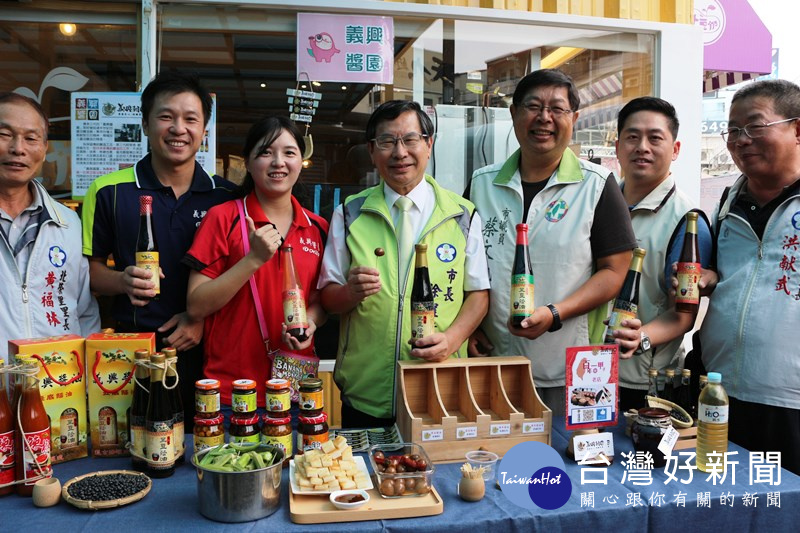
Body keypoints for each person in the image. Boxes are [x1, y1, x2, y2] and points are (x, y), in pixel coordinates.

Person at [466, 69, 636, 416]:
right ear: (513, 114)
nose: (544, 118)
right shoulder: (482, 184)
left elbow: (614, 273)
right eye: (533, 106)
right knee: (499, 464)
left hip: (579, 367)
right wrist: (465, 330)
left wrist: (555, 313)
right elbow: (467, 270)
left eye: (557, 109)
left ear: (573, 119)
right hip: (495, 363)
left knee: (578, 464)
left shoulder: (597, 185)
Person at [318, 100, 490, 428]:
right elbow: (327, 297)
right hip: (366, 391)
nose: (400, 153)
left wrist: (452, 340)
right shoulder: (350, 213)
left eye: (410, 140)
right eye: (387, 142)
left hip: (439, 386)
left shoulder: (463, 215)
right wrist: (350, 293)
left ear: (429, 144)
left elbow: (479, 294)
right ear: (372, 151)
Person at [81, 71, 235, 424]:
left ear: (204, 130)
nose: (179, 128)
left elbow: (239, 277)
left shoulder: (225, 197)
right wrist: (121, 281)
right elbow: (87, 272)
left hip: (207, 352)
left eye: (190, 119)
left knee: (206, 446)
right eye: (166, 117)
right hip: (132, 352)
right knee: (135, 445)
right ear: (146, 124)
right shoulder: (109, 191)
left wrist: (200, 319)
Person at [184, 116, 328, 407]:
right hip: (231, 391)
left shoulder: (318, 227)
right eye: (265, 152)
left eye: (289, 152)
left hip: (297, 389)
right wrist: (253, 259)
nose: (278, 162)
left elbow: (320, 299)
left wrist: (310, 322)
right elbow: (196, 305)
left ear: (301, 161)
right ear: (248, 163)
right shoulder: (223, 218)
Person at [698, 79, 800, 474]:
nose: (741, 140)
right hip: (722, 393)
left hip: (791, 402)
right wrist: (710, 278)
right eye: (733, 130)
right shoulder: (727, 204)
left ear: (797, 129)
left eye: (755, 126)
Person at [610, 97, 712, 412]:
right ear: (617, 147)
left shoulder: (688, 222)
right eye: (632, 137)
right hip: (587, 367)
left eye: (655, 138)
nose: (642, 146)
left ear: (676, 149)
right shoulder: (598, 206)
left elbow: (683, 315)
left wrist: (639, 338)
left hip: (643, 381)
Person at [0, 93, 100, 360]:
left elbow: (84, 311)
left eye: (31, 138)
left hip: (57, 388)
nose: (18, 148)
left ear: (44, 149)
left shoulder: (67, 223)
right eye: (5, 134)